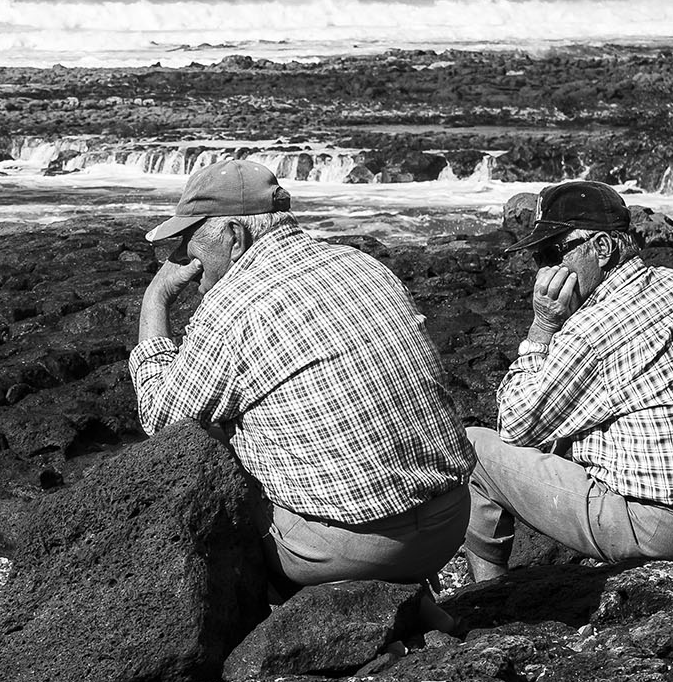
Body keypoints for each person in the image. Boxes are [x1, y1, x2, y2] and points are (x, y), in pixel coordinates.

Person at [132, 158, 475, 590]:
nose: (184, 260)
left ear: (234, 236)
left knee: (204, 448)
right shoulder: (361, 263)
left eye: (188, 243)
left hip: (353, 550)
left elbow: (161, 420)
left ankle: (282, 629)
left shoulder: (233, 304)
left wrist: (156, 298)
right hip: (450, 522)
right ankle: (408, 607)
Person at [464, 180, 673, 582]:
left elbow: (515, 425)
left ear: (601, 248)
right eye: (539, 259)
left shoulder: (592, 327)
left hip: (665, 531)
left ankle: (488, 596)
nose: (545, 272)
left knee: (473, 449)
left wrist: (543, 326)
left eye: (552, 253)